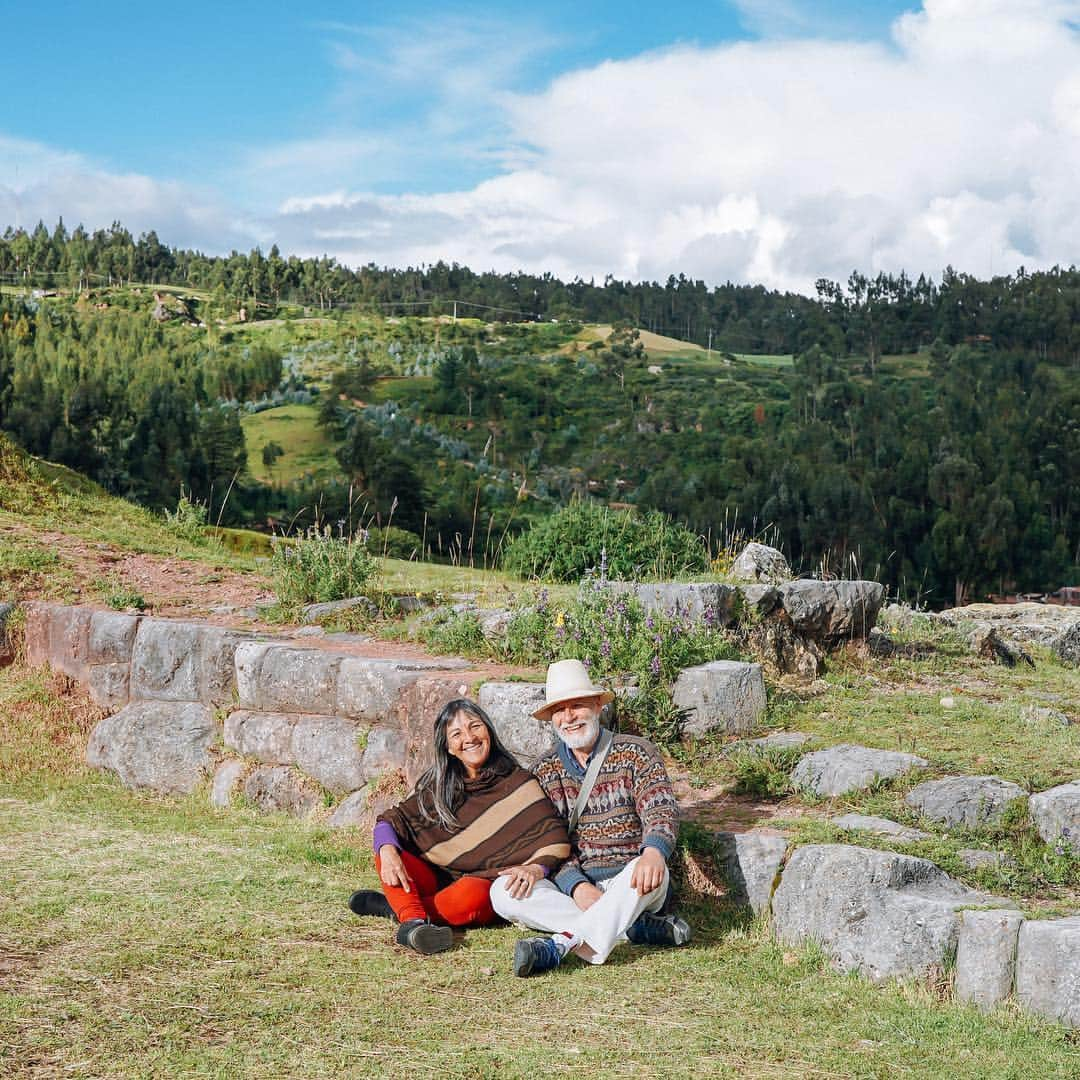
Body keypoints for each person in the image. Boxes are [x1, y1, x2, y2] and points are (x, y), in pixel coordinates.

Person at [490, 659, 691, 976]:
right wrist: (576, 885)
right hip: (577, 885)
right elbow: (549, 839)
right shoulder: (544, 770)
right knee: (502, 893)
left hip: (633, 879)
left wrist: (654, 851)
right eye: (559, 710)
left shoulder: (637, 753)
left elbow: (660, 808)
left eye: (577, 705)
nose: (568, 717)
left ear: (598, 706)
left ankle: (560, 945)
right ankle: (631, 929)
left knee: (643, 871)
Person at [348, 698, 571, 954]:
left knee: (471, 896)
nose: (469, 737)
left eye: (475, 726)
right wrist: (387, 851)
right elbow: (390, 820)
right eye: (457, 733)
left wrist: (536, 867)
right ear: (450, 748)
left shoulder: (518, 781)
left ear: (488, 731)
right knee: (388, 852)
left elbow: (554, 836)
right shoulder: (441, 787)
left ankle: (399, 910)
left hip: (482, 883)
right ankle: (412, 924)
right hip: (438, 878)